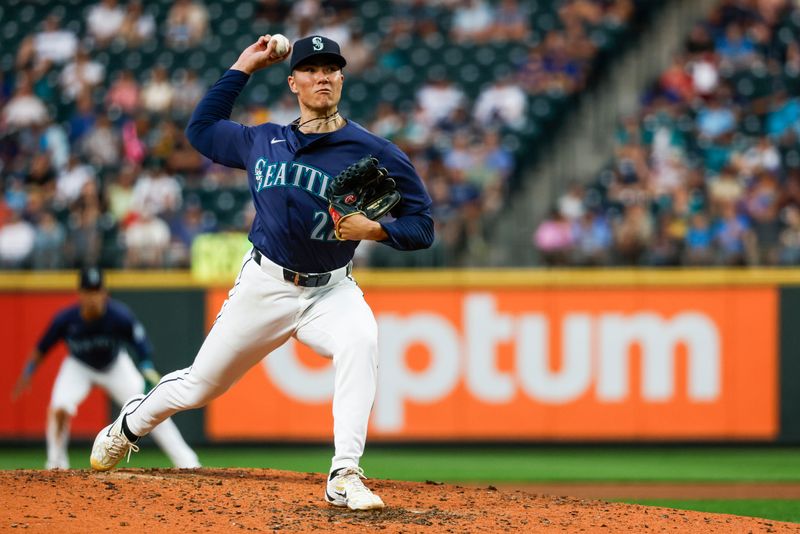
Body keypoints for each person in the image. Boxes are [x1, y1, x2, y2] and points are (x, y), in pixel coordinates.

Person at [90, 35, 434, 510]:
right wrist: (242, 65)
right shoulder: (261, 139)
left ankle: (344, 473)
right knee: (200, 385)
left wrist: (376, 230)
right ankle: (129, 425)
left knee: (362, 341)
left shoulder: (374, 150)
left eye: (331, 68)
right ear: (293, 82)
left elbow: (423, 226)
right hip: (265, 284)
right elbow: (201, 129)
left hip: (331, 291)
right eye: (311, 69)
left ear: (342, 78)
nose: (323, 76)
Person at [13, 267, 200, 470]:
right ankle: (56, 466)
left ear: (105, 293)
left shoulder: (119, 316)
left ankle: (188, 462)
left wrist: (146, 367)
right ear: (80, 294)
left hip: (115, 365)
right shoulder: (66, 320)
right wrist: (28, 373)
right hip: (79, 366)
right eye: (89, 291)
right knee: (59, 407)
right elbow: (42, 349)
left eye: (97, 291)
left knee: (151, 407)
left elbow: (141, 344)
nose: (93, 297)